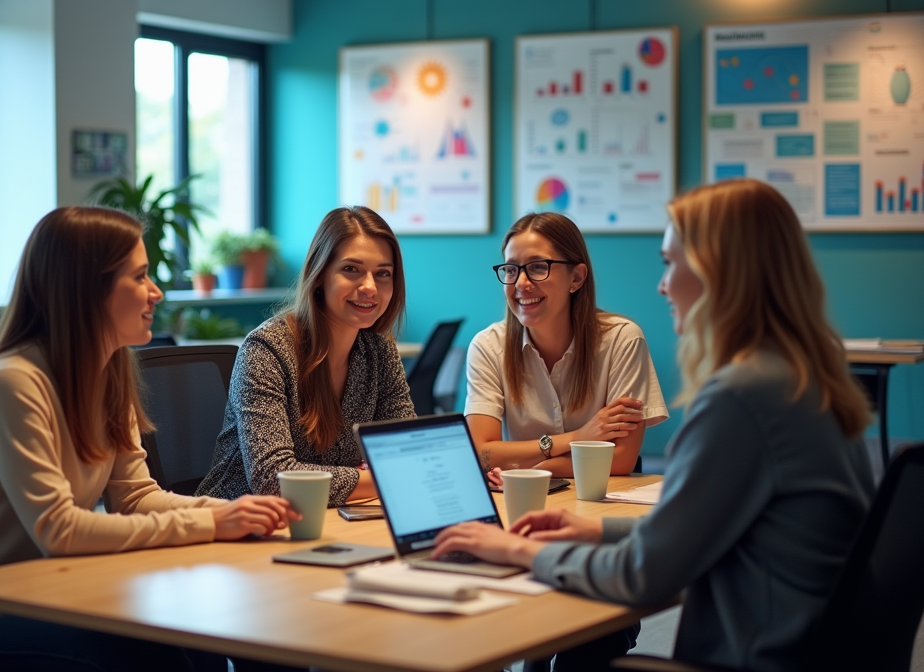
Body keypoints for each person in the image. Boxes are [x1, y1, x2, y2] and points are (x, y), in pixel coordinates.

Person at [433, 180, 875, 672]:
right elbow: (698, 531)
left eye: (670, 263)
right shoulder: (802, 379)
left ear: (720, 270)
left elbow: (645, 575)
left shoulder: (742, 397)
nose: (663, 284)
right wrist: (594, 532)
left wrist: (515, 549)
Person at [0, 206, 301, 672]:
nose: (155, 292)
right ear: (86, 291)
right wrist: (214, 524)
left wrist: (231, 513)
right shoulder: (11, 383)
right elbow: (60, 530)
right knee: (137, 652)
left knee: (199, 639)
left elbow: (135, 497)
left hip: (39, 582)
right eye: (139, 277)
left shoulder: (108, 372)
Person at [197, 206, 415, 507]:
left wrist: (395, 473)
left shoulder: (378, 350)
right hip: (240, 528)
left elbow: (407, 453)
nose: (369, 287)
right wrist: (383, 479)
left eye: (383, 274)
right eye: (351, 269)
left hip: (329, 518)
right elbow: (273, 480)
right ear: (319, 275)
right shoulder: (267, 349)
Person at [466, 211, 668, 479]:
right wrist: (580, 437)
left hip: (596, 498)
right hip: (527, 500)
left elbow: (621, 460)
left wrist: (537, 468)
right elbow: (482, 453)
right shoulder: (488, 346)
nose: (521, 284)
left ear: (576, 278)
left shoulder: (622, 339)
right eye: (512, 269)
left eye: (538, 267)